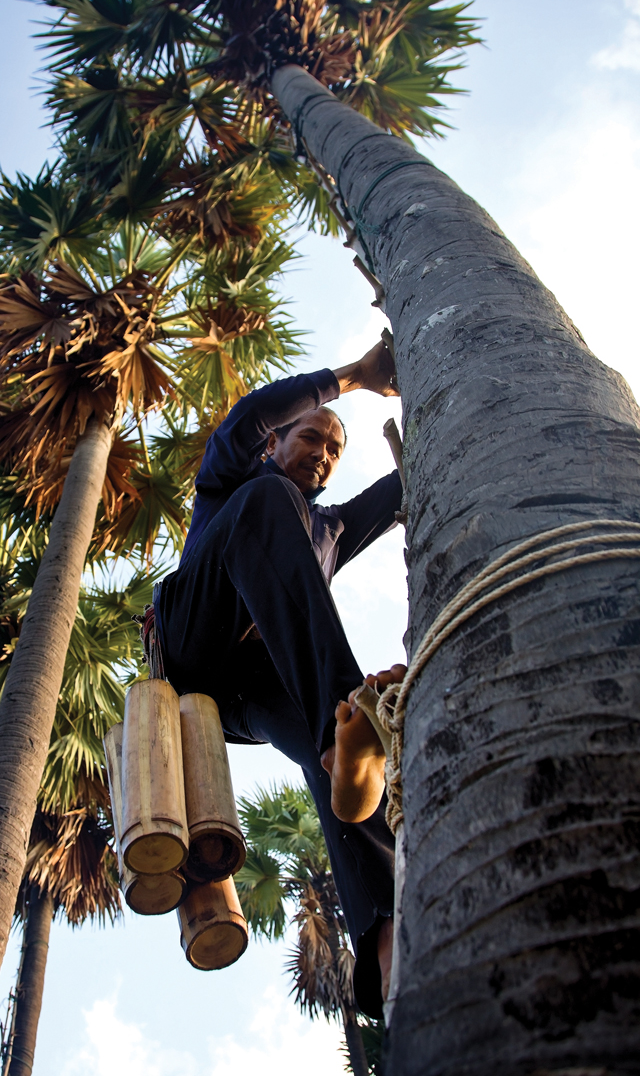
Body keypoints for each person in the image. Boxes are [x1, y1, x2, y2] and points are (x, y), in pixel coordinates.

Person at [154, 341, 404, 1012]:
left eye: (334, 451)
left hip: (255, 692)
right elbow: (248, 417)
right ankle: (344, 719)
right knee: (269, 502)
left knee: (339, 767)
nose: (322, 453)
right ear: (275, 442)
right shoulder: (235, 480)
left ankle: (384, 939)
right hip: (193, 649)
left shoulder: (331, 528)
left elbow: (403, 490)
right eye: (311, 436)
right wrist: (352, 379)